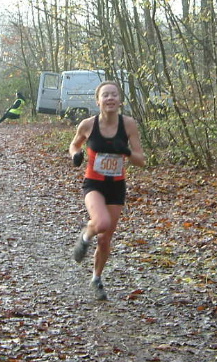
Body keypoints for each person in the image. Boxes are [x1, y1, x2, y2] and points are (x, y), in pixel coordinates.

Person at [69, 80, 145, 301]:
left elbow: (141, 161)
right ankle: (85, 236)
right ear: (98, 101)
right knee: (101, 223)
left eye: (114, 95)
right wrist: (75, 155)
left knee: (105, 239)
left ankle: (96, 278)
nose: (110, 98)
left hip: (116, 186)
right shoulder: (87, 125)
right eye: (106, 95)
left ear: (120, 101)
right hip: (94, 184)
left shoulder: (128, 124)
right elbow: (74, 145)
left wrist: (128, 153)